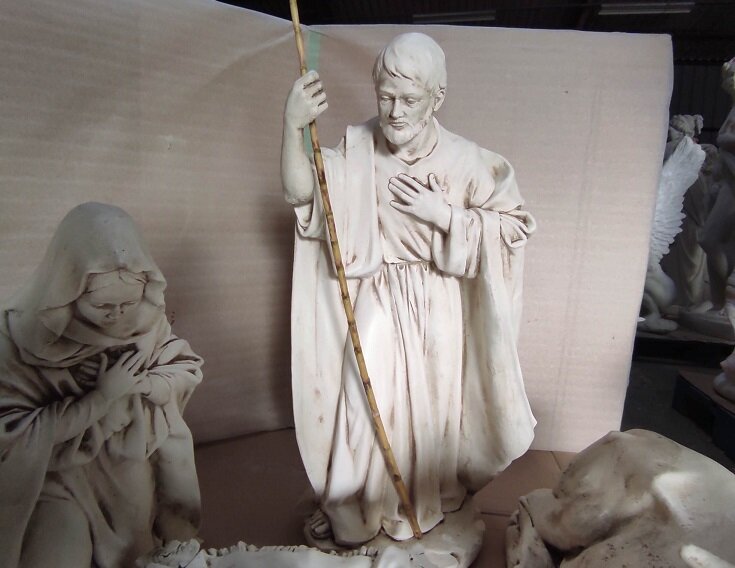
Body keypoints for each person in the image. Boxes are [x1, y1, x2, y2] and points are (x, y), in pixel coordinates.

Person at [282, 33, 536, 546]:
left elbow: (514, 229)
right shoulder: (359, 148)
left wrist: (444, 215)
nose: (395, 112)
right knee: (362, 398)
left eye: (410, 100)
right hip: (378, 297)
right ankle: (355, 503)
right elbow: (303, 193)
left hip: (439, 305)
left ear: (436, 98)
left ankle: (419, 503)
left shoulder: (467, 161)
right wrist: (291, 126)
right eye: (386, 97)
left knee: (429, 416)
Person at [0, 203, 202, 568]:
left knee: (136, 557)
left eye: (128, 302)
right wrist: (102, 397)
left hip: (127, 468)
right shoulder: (20, 338)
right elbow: (12, 433)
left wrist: (146, 385)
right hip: (55, 478)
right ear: (67, 289)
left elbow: (183, 368)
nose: (117, 315)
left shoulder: (147, 323)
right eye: (102, 304)